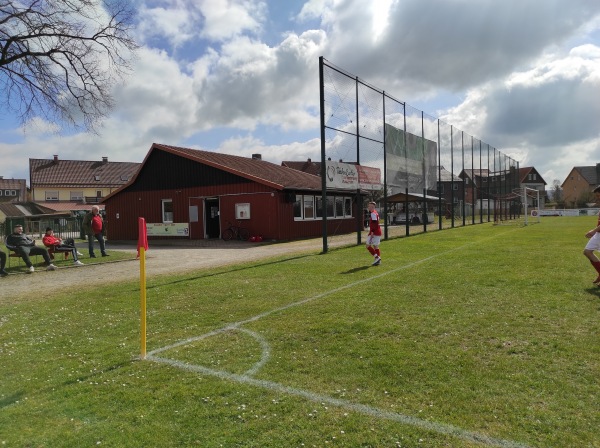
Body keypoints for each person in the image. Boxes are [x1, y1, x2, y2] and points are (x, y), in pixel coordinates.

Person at [583, 185, 600, 284]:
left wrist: (593, 231)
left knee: (588, 252)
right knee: (587, 252)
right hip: (598, 234)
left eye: (598, 195)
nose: (597, 198)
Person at [365, 201, 382, 266]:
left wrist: (372, 232)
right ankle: (378, 261)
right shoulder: (376, 213)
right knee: (375, 246)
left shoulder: (373, 213)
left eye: (370, 206)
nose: (369, 207)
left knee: (368, 245)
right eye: (369, 206)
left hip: (374, 232)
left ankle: (377, 257)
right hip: (377, 231)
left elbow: (375, 223)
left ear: (373, 207)